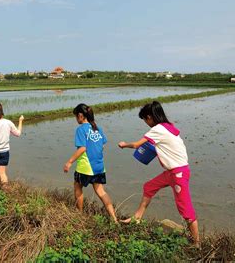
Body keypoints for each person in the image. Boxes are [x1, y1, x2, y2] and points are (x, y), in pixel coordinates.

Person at [118, 101, 199, 245]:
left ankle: (196, 243)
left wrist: (124, 144)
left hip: (177, 174)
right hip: (172, 172)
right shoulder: (169, 127)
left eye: (145, 120)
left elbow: (137, 144)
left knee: (185, 208)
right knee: (149, 187)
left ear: (149, 117)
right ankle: (137, 218)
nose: (146, 123)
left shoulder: (158, 129)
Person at [63, 103, 117, 223]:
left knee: (77, 186)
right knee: (101, 191)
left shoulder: (81, 129)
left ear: (81, 116)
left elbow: (82, 148)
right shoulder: (97, 128)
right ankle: (114, 219)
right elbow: (103, 145)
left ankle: (79, 215)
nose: (76, 119)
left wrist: (69, 162)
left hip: (86, 167)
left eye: (76, 116)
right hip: (99, 166)